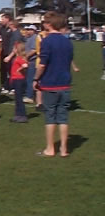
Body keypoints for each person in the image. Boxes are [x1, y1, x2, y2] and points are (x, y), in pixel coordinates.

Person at [34, 11, 74, 157]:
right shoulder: (67, 41)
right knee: (63, 117)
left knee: (50, 116)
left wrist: (35, 79)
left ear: (49, 24)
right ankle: (64, 149)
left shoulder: (47, 41)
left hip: (50, 83)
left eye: (45, 22)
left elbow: (42, 64)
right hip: (65, 83)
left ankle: (50, 149)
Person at [10, 41, 29, 123]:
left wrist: (19, 69)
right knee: (17, 98)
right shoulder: (17, 58)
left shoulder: (19, 58)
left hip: (19, 80)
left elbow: (25, 65)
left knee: (19, 98)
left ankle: (23, 115)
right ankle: (18, 115)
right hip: (16, 79)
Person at [24, 25, 38, 103]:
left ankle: (29, 96)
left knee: (30, 79)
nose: (28, 31)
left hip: (32, 61)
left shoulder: (34, 38)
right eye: (28, 29)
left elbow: (34, 50)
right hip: (30, 60)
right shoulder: (29, 38)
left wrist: (26, 57)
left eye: (30, 30)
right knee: (29, 78)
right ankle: (33, 95)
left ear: (34, 31)